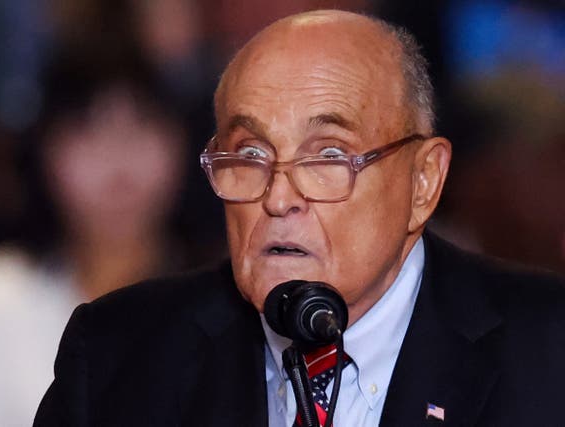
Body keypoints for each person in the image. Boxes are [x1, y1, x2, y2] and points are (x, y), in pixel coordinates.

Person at [34, 10, 565, 427]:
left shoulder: (548, 352)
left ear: (424, 180)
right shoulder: (116, 357)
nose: (278, 198)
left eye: (328, 157)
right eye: (249, 156)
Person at [0, 47, 185, 427]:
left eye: (142, 124)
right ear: (44, 152)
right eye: (88, 130)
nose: (118, 162)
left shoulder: (225, 292)